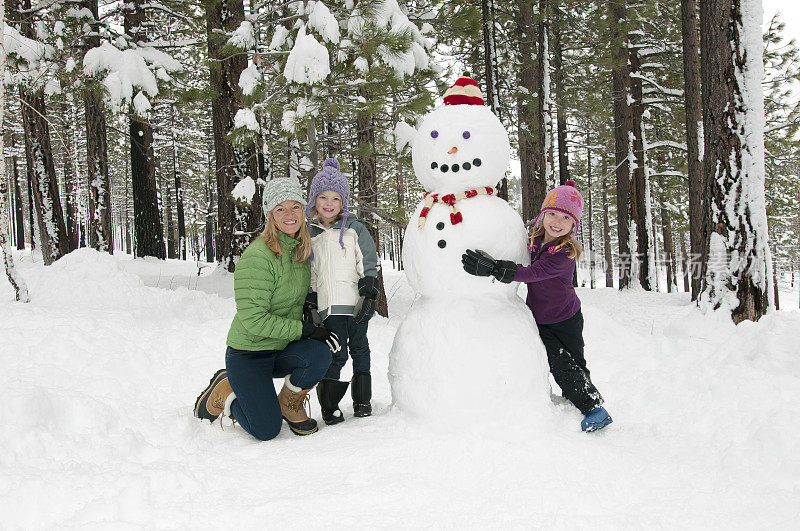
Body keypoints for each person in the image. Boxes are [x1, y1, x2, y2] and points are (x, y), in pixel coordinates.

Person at [193, 176, 343, 440]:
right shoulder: (258, 257)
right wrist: (305, 330)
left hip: (280, 347)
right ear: (270, 215)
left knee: (320, 354)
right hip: (249, 353)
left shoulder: (300, 252)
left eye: (295, 207)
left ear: (303, 210)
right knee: (266, 430)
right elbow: (254, 320)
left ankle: (289, 403)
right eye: (280, 209)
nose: (289, 215)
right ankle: (225, 391)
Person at [461, 180, 613, 432]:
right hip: (542, 317)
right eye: (551, 213)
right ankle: (577, 396)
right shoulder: (535, 241)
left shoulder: (564, 253)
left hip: (565, 317)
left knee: (565, 362)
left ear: (573, 226)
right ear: (543, 215)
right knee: (567, 362)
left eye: (565, 218)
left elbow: (533, 273)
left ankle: (594, 408)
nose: (556, 221)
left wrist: (496, 269)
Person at [304, 158, 379, 425]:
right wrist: (311, 299)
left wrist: (369, 289)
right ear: (314, 200)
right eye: (322, 197)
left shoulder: (354, 228)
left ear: (343, 202)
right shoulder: (309, 233)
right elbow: (310, 271)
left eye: (335, 198)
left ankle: (362, 399)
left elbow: (367, 258)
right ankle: (330, 404)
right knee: (337, 352)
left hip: (356, 303)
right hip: (329, 306)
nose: (328, 203)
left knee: (360, 348)